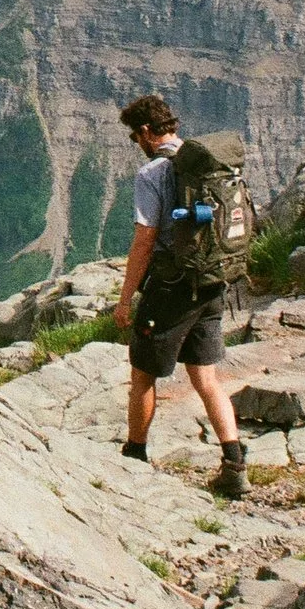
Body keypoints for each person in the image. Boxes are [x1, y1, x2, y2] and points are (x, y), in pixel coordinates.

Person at [110, 94, 248, 498]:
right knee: (206, 377)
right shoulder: (207, 162)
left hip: (171, 289)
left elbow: (145, 240)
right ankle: (234, 463)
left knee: (142, 374)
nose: (136, 142)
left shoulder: (153, 172)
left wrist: (125, 300)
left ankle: (134, 455)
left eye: (135, 136)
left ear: (147, 132)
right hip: (211, 281)